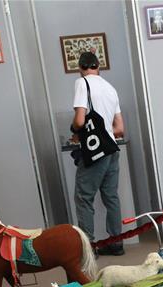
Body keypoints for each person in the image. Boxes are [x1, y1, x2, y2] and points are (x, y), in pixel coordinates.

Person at [71, 51, 125, 256]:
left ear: (81, 68)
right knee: (111, 196)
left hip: (95, 151)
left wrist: (75, 132)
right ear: (98, 67)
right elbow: (120, 128)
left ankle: (89, 247)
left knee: (84, 197)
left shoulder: (81, 83)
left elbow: (79, 121)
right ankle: (116, 242)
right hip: (112, 148)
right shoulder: (110, 88)